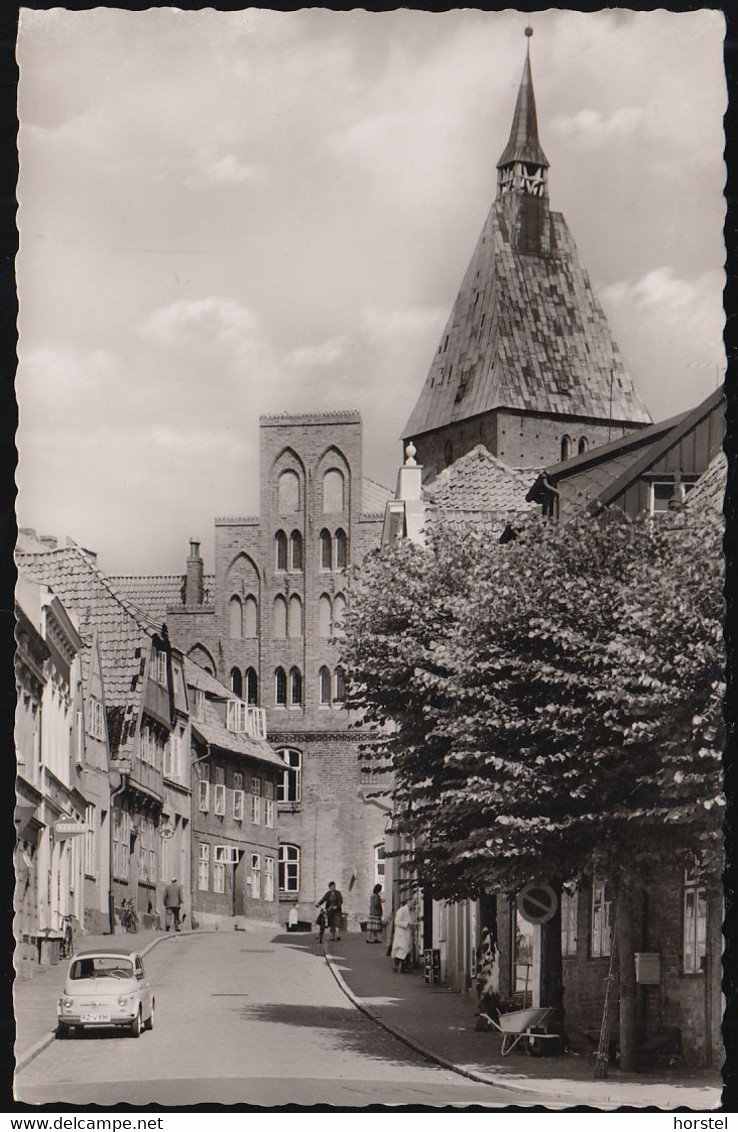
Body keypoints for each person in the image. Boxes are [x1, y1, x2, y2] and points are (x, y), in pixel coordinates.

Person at [391, 897, 415, 972]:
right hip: (401, 933)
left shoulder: (411, 911)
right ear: (408, 901)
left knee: (406, 950)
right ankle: (397, 966)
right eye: (412, 902)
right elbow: (397, 921)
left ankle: (403, 967)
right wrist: (407, 924)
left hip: (407, 933)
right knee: (403, 949)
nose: (413, 904)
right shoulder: (401, 910)